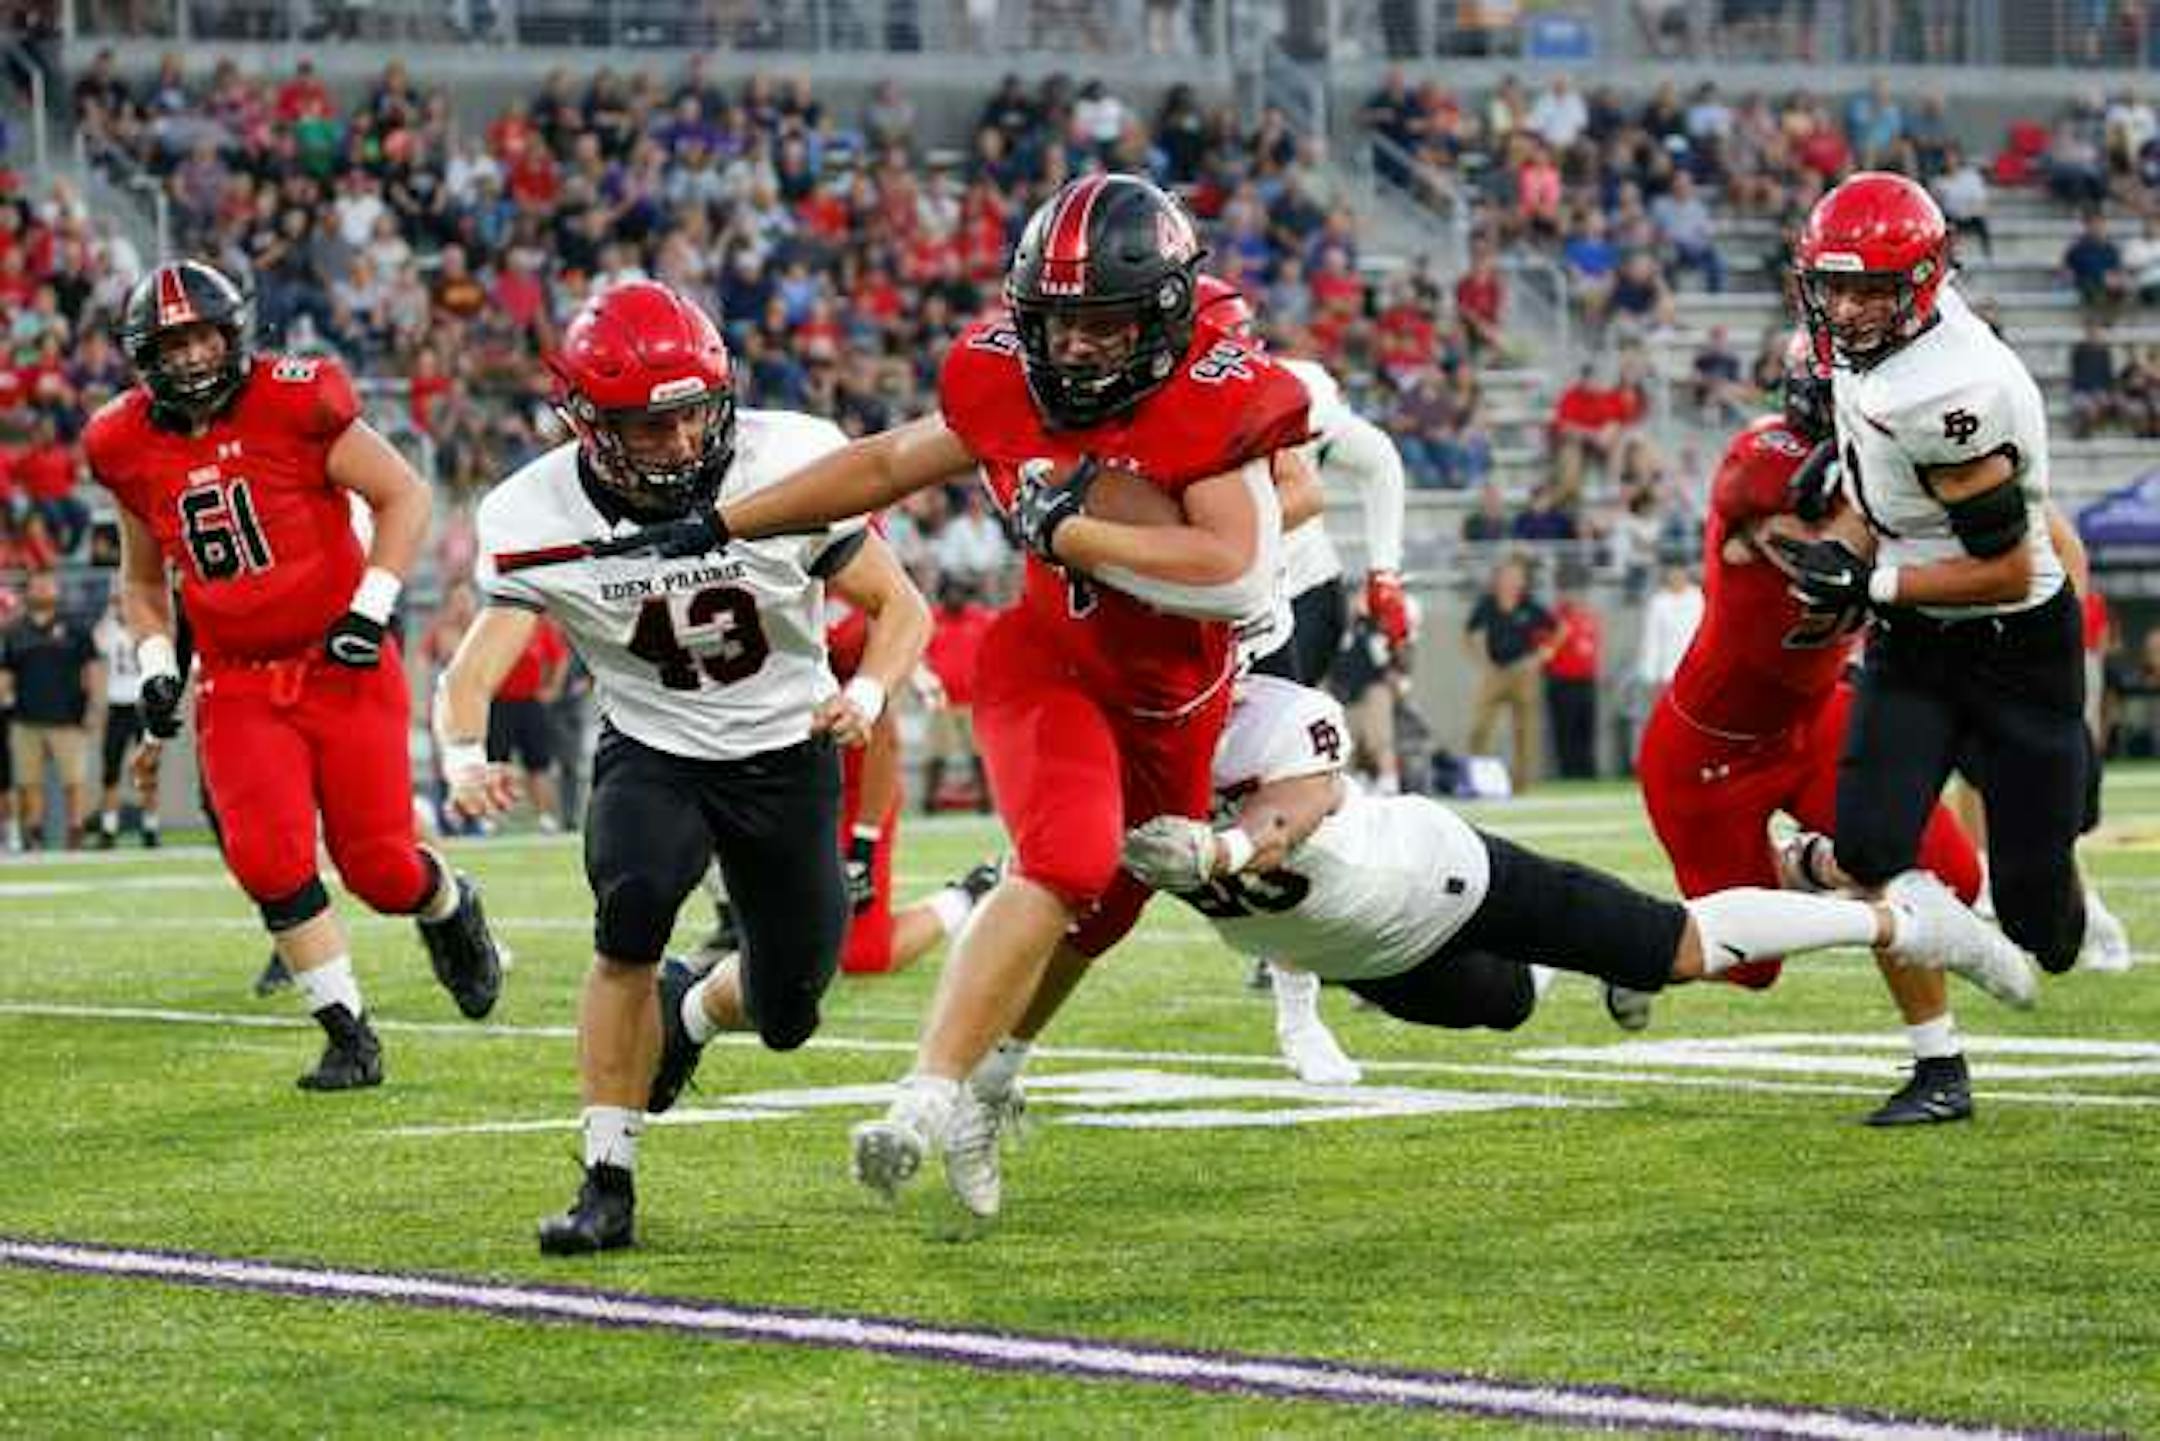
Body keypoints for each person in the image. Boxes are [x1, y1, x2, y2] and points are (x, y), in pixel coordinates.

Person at [690, 173, 1309, 1216]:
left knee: (1109, 909)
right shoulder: (1004, 378)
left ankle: (994, 1074)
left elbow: (1237, 567)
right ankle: (924, 1097)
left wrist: (1071, 530)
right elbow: (891, 460)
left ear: (1164, 317)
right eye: (1056, 322)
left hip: (1176, 690)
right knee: (1066, 859)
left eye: (1103, 323)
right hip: (1051, 660)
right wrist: (728, 523)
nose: (1073, 348)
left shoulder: (1223, 392)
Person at [435, 280, 930, 1255]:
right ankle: (605, 1178)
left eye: (693, 416)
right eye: (645, 426)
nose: (677, 442)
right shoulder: (531, 509)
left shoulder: (787, 459)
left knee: (791, 1004)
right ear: (583, 419)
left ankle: (693, 1010)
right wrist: (459, 753)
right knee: (629, 912)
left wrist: (865, 697)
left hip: (787, 751)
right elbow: (473, 664)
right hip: (654, 748)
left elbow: (901, 608)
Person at [1118, 673, 2031, 1056]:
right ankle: (1604, 951)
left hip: (1442, 875)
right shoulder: (1119, 752)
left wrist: (1224, 847)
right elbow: (1065, 866)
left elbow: (1296, 806)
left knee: (1678, 948)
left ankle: (1902, 918)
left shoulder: (1273, 712)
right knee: (1508, 1004)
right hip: (1372, 958)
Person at [85, 259, 503, 1093]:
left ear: (234, 331)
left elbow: (406, 495)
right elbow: (141, 579)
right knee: (267, 857)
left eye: (203, 334)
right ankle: (347, 1033)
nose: (194, 355)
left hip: (337, 661)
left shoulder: (298, 399)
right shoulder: (123, 442)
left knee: (382, 868)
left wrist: (368, 605)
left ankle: (451, 906)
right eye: (173, 343)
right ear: (144, 356)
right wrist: (162, 662)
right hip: (239, 680)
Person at [1635, 379, 2003, 1125]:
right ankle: (1629, 940)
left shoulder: (1892, 461)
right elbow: (1823, 549)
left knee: (1944, 877)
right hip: (1710, 750)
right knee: (1749, 967)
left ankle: (1939, 1065)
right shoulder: (1764, 458)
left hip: (1816, 715)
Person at [1780, 173, 2096, 1016]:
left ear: (1918, 284)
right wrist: (1847, 475)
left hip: (2015, 647)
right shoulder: (1874, 348)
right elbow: (1887, 472)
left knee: (2043, 928)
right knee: (1871, 845)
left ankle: (2049, 798)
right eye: (1833, 286)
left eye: (1869, 290)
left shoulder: (1950, 388)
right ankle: (1808, 858)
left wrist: (1869, 582)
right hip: (1920, 644)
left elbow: (2006, 567)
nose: (1845, 310)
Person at [1193, 274, 1410, 1086]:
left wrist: (1385, 570)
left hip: (1289, 598)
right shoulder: (1128, 405)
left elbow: (1370, 463)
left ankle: (1300, 1000)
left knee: (1282, 781)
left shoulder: (1286, 389)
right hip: (1195, 609)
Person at [0, 569, 101, 849]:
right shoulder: (15, 632)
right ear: (28, 592)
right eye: (37, 585)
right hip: (26, 719)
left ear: (57, 590)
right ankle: (34, 834)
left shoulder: (76, 628)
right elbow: (6, 675)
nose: (43, 590)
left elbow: (90, 670)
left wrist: (93, 708)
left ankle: (76, 831)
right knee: (29, 781)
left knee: (74, 780)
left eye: (48, 585)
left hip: (68, 717)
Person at [1464, 557, 1558, 791]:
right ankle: (1479, 778)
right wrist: (1481, 661)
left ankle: (1521, 784)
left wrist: (1542, 656)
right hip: (1495, 671)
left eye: (1516, 577)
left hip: (1523, 672)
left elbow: (1558, 629)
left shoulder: (1529, 605)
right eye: (1506, 576)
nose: (1510, 581)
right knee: (1480, 727)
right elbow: (1470, 633)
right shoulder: (1487, 604)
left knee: (1524, 730)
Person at [485, 612, 569, 831]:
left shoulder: (540, 625)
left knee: (538, 763)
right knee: (495, 763)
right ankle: (491, 818)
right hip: (499, 701)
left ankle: (545, 817)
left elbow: (559, 657)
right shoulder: (494, 621)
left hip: (530, 701)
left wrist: (553, 688)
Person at [90, 588, 160, 847]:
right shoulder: (109, 629)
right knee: (111, 771)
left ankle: (150, 827)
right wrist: (111, 611)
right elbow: (96, 642)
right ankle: (109, 829)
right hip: (117, 706)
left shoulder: (146, 627)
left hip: (143, 706)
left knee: (148, 772)